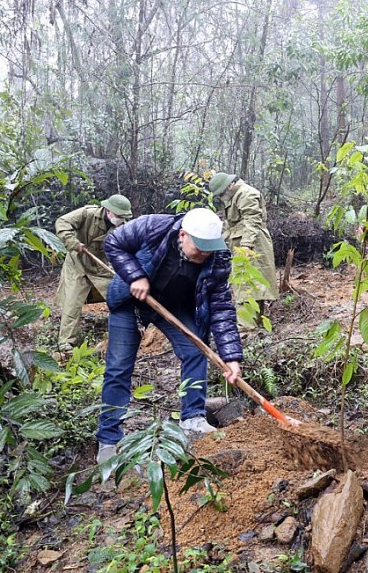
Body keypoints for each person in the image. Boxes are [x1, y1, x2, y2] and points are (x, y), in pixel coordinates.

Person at [96, 207, 243, 463]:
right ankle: (109, 439)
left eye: (210, 248)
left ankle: (193, 419)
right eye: (199, 249)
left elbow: (221, 307)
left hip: (176, 305)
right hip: (132, 300)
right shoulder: (154, 227)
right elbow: (114, 243)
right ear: (183, 235)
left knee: (195, 350)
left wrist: (231, 357)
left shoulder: (218, 259)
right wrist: (136, 276)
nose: (205, 254)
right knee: (119, 367)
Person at [55, 194, 133, 351]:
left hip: (101, 267)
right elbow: (62, 222)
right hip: (77, 264)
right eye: (118, 216)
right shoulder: (87, 213)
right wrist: (73, 242)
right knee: (72, 303)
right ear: (108, 211)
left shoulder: (123, 226)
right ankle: (66, 342)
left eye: (123, 216)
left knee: (121, 296)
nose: (120, 219)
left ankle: (129, 334)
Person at [207, 173, 278, 325]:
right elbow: (231, 224)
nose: (220, 197)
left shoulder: (247, 193)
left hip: (252, 244)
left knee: (246, 285)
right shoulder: (235, 195)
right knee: (249, 285)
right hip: (242, 244)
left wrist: (246, 245)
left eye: (221, 193)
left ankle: (246, 326)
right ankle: (253, 324)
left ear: (229, 186)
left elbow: (252, 220)